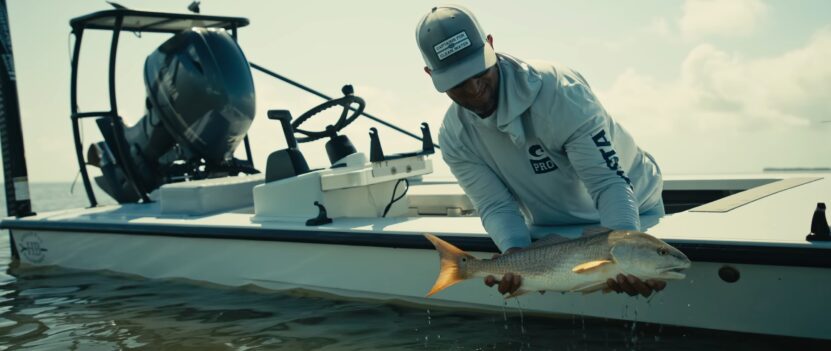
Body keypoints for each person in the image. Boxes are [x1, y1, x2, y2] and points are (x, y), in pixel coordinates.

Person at [415, 6, 667, 297]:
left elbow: (607, 182)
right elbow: (496, 206)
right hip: (552, 235)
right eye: (457, 82)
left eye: (479, 71)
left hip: (634, 216)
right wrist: (515, 255)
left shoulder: (560, 92)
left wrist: (624, 253)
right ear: (430, 74)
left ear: (491, 45)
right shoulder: (453, 136)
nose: (474, 89)